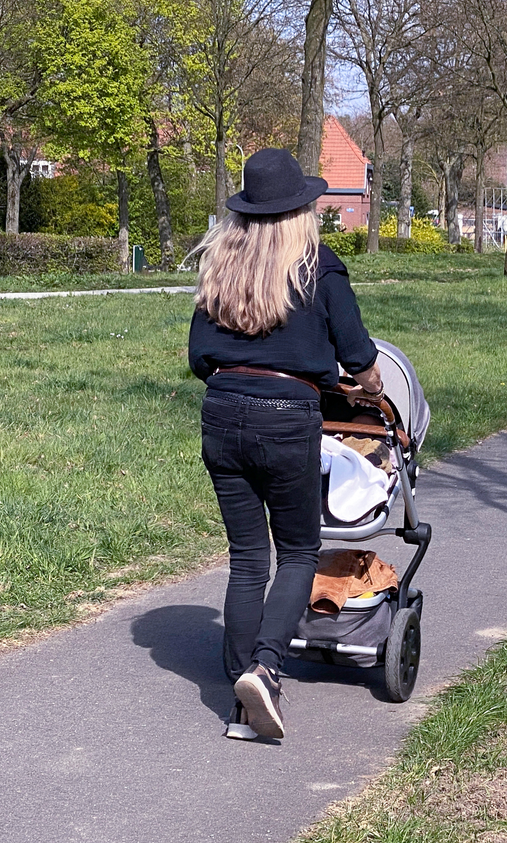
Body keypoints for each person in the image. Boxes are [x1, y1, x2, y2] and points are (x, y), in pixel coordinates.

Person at [188, 148, 384, 740]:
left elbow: (199, 357)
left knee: (248, 557)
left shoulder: (220, 268)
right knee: (298, 551)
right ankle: (267, 670)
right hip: (285, 417)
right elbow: (357, 352)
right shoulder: (318, 267)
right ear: (301, 208)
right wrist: (368, 383)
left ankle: (240, 696)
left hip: (222, 414)